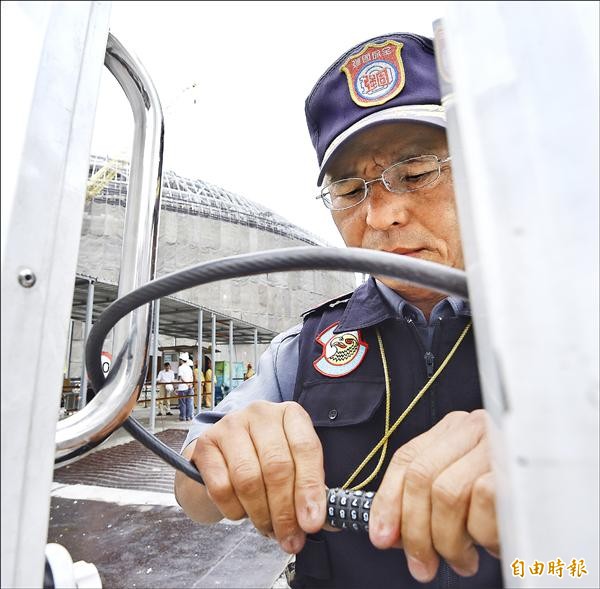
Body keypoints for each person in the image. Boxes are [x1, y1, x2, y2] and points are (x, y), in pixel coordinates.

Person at [175, 32, 502, 589]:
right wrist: (228, 453)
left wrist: (555, 452)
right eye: (350, 190)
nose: (381, 215)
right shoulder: (303, 347)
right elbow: (191, 490)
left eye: (417, 172)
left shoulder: (561, 326)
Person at [176, 352, 194, 421]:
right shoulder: (189, 368)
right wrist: (190, 384)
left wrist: (186, 384)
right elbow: (191, 377)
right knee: (189, 402)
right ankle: (188, 417)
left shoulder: (180, 368)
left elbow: (181, 378)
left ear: (181, 360)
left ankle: (183, 416)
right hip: (190, 387)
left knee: (182, 403)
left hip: (182, 387)